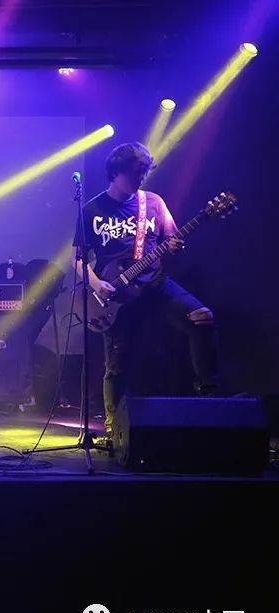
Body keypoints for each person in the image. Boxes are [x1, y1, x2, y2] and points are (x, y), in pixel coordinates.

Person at [73, 142, 219, 437]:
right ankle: (114, 427)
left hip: (155, 282)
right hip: (115, 294)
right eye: (134, 173)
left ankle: (209, 398)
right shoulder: (92, 209)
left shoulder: (153, 203)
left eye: (143, 173)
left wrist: (175, 245)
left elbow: (172, 238)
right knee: (116, 363)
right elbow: (77, 259)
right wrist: (97, 284)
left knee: (202, 316)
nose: (140, 179)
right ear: (116, 172)